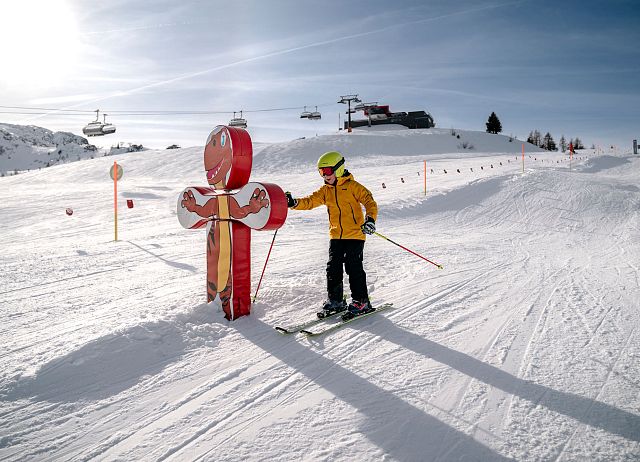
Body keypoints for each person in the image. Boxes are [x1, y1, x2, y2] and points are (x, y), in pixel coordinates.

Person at [286, 151, 378, 319]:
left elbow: (369, 201)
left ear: (339, 168)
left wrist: (370, 219)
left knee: (353, 267)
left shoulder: (353, 186)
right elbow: (310, 201)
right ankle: (336, 300)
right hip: (336, 235)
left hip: (355, 234)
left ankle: (361, 301)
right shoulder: (326, 190)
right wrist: (294, 203)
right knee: (333, 268)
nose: (324, 176)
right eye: (321, 172)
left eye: (327, 171)